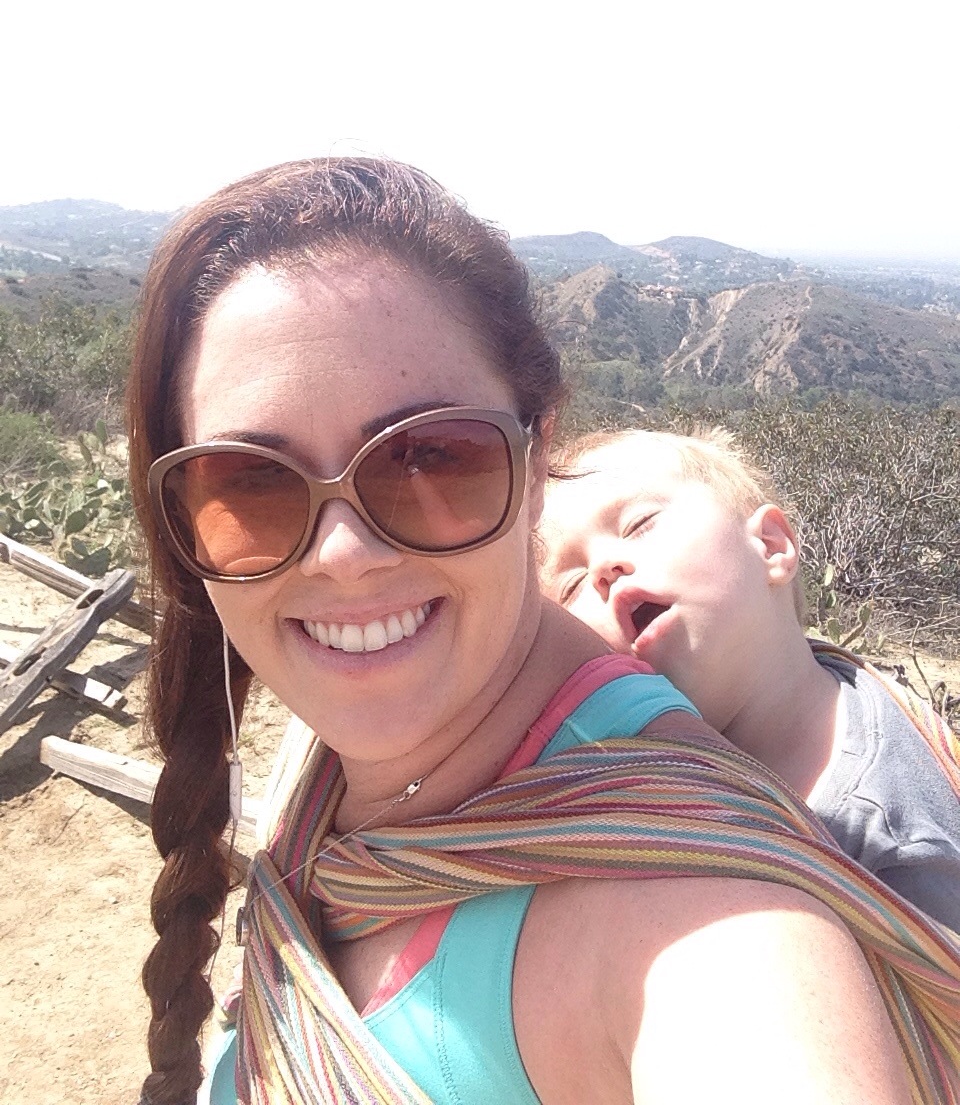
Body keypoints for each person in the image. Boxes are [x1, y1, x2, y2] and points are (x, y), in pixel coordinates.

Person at [126, 158, 958, 1105]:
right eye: (251, 483)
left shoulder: (715, 938)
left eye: (429, 457)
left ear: (537, 459)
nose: (342, 554)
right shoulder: (345, 755)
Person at [539, 425, 960, 932]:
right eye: (571, 584)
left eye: (640, 524)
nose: (603, 568)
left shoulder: (895, 847)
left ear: (770, 545)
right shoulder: (610, 791)